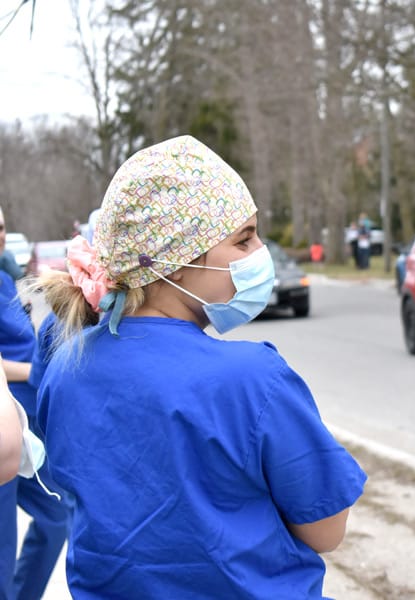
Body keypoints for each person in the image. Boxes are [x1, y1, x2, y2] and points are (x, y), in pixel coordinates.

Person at [32, 135, 367, 598]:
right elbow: (325, 530)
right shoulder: (252, 378)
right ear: (176, 265)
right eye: (244, 239)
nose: (260, 254)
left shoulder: (67, 365)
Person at [0, 238, 67, 600]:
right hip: (3, 426)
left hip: (29, 423)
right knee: (1, 550)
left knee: (57, 517)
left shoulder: (4, 280)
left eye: (1, 228)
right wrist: (33, 371)